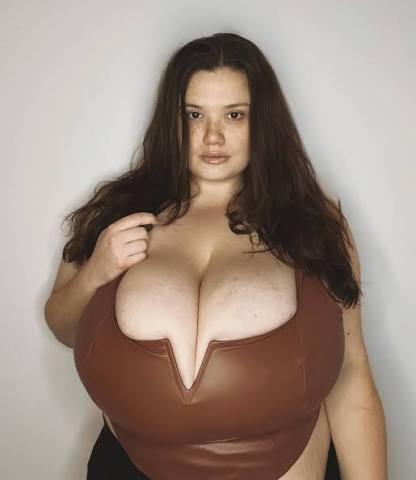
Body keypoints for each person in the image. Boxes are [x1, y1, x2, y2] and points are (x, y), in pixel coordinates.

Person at [44, 32, 387, 479]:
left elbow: (351, 374)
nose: (212, 136)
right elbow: (63, 328)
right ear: (172, 121)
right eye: (194, 115)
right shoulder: (117, 211)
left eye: (234, 114)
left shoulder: (314, 224)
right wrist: (95, 272)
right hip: (128, 463)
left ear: (263, 121)